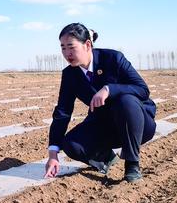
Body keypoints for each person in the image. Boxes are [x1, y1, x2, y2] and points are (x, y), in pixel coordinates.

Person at [43, 23, 156, 183]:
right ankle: (107, 159)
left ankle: (132, 164)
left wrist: (109, 89)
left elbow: (142, 90)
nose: (67, 53)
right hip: (105, 125)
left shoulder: (113, 58)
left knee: (126, 100)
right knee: (71, 144)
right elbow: (63, 112)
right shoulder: (70, 74)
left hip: (137, 123)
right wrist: (53, 154)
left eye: (71, 47)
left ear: (87, 45)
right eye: (63, 48)